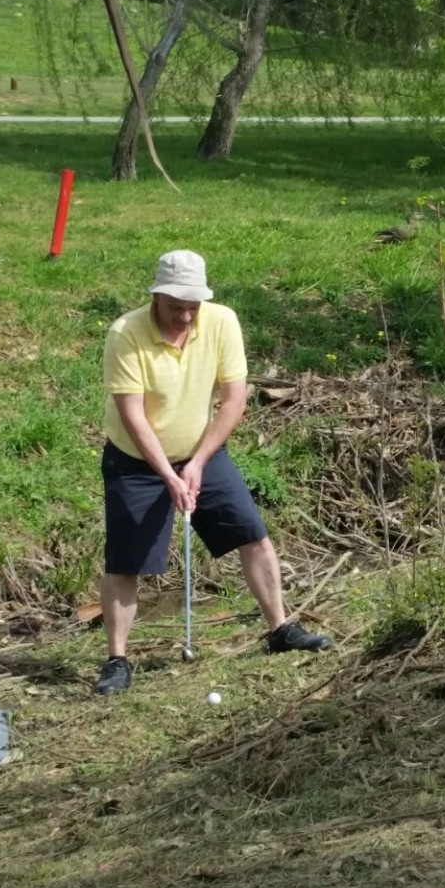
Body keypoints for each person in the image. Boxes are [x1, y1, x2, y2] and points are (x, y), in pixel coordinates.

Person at [97, 250, 331, 695]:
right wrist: (169, 475)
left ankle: (279, 629)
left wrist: (199, 462)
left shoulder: (221, 322)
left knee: (251, 533)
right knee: (126, 561)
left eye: (193, 306)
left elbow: (234, 400)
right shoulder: (125, 333)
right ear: (157, 296)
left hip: (203, 450)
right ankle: (118, 660)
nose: (185, 316)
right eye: (175, 306)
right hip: (136, 461)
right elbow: (133, 415)